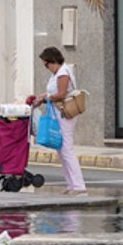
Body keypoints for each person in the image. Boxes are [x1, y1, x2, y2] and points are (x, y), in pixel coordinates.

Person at [32, 46, 86, 195]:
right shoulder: (57, 73)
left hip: (64, 115)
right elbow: (52, 92)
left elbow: (62, 94)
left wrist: (45, 98)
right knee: (62, 150)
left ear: (53, 61)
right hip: (58, 113)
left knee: (66, 149)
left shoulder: (62, 73)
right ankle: (71, 184)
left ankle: (78, 185)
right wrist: (42, 97)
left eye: (46, 64)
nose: (46, 68)